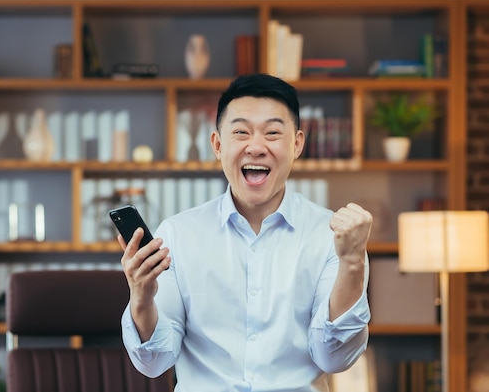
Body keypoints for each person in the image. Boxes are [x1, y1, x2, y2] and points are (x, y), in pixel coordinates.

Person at [118, 73, 372, 392]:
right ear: (218, 144)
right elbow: (154, 362)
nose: (256, 147)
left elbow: (334, 359)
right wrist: (141, 297)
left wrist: (352, 264)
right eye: (241, 132)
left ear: (296, 144)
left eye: (272, 133)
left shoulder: (333, 236)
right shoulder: (177, 235)